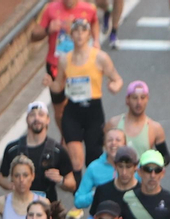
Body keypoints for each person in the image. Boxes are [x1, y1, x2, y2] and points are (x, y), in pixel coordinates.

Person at [48, 18, 123, 180]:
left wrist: (114, 87)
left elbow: (117, 79)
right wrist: (50, 84)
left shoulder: (100, 57)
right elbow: (58, 86)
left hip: (93, 112)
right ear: (71, 35)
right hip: (72, 112)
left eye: (83, 31)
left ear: (89, 34)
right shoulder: (64, 59)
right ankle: (78, 191)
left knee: (93, 158)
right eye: (76, 31)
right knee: (75, 159)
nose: (80, 34)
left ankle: (94, 187)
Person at [33, 0, 102, 121]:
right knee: (60, 111)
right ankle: (66, 133)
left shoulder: (89, 9)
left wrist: (96, 40)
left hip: (81, 65)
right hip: (56, 65)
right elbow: (34, 35)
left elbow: (94, 22)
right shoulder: (50, 9)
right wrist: (48, 29)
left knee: (82, 105)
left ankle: (78, 130)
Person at [0, 101, 75, 198]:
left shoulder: (58, 151)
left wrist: (60, 180)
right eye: (32, 115)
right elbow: (1, 178)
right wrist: (12, 186)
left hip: (49, 205)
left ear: (48, 119)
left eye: (41, 115)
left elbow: (72, 183)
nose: (36, 118)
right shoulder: (12, 149)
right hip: (20, 204)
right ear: (27, 119)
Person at [118, 81, 170, 164]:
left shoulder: (155, 128)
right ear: (127, 100)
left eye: (143, 98)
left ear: (147, 99)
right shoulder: (113, 124)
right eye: (135, 98)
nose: (139, 102)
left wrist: (151, 167)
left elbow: (166, 156)